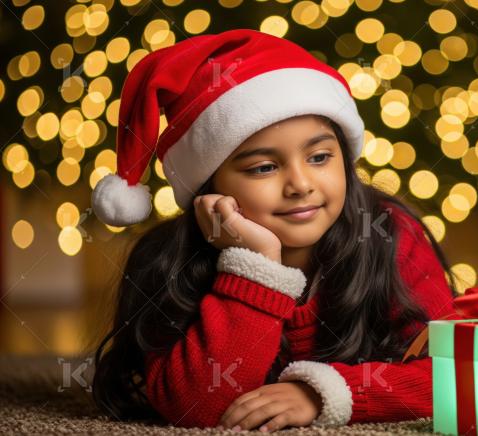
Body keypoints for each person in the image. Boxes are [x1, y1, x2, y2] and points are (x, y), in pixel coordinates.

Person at [89, 29, 457, 432]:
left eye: (319, 157)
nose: (300, 184)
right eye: (264, 167)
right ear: (209, 187)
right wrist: (254, 264)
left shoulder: (390, 235)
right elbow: (197, 410)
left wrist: (324, 393)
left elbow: (454, 376)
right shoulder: (168, 261)